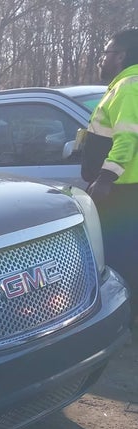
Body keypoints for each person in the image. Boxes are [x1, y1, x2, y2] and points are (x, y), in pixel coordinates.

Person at [81, 27, 138, 318]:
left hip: (121, 191)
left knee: (119, 257)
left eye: (106, 53)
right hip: (127, 189)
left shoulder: (128, 86)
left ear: (121, 56)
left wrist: (105, 178)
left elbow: (127, 138)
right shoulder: (126, 85)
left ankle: (124, 316)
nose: (101, 59)